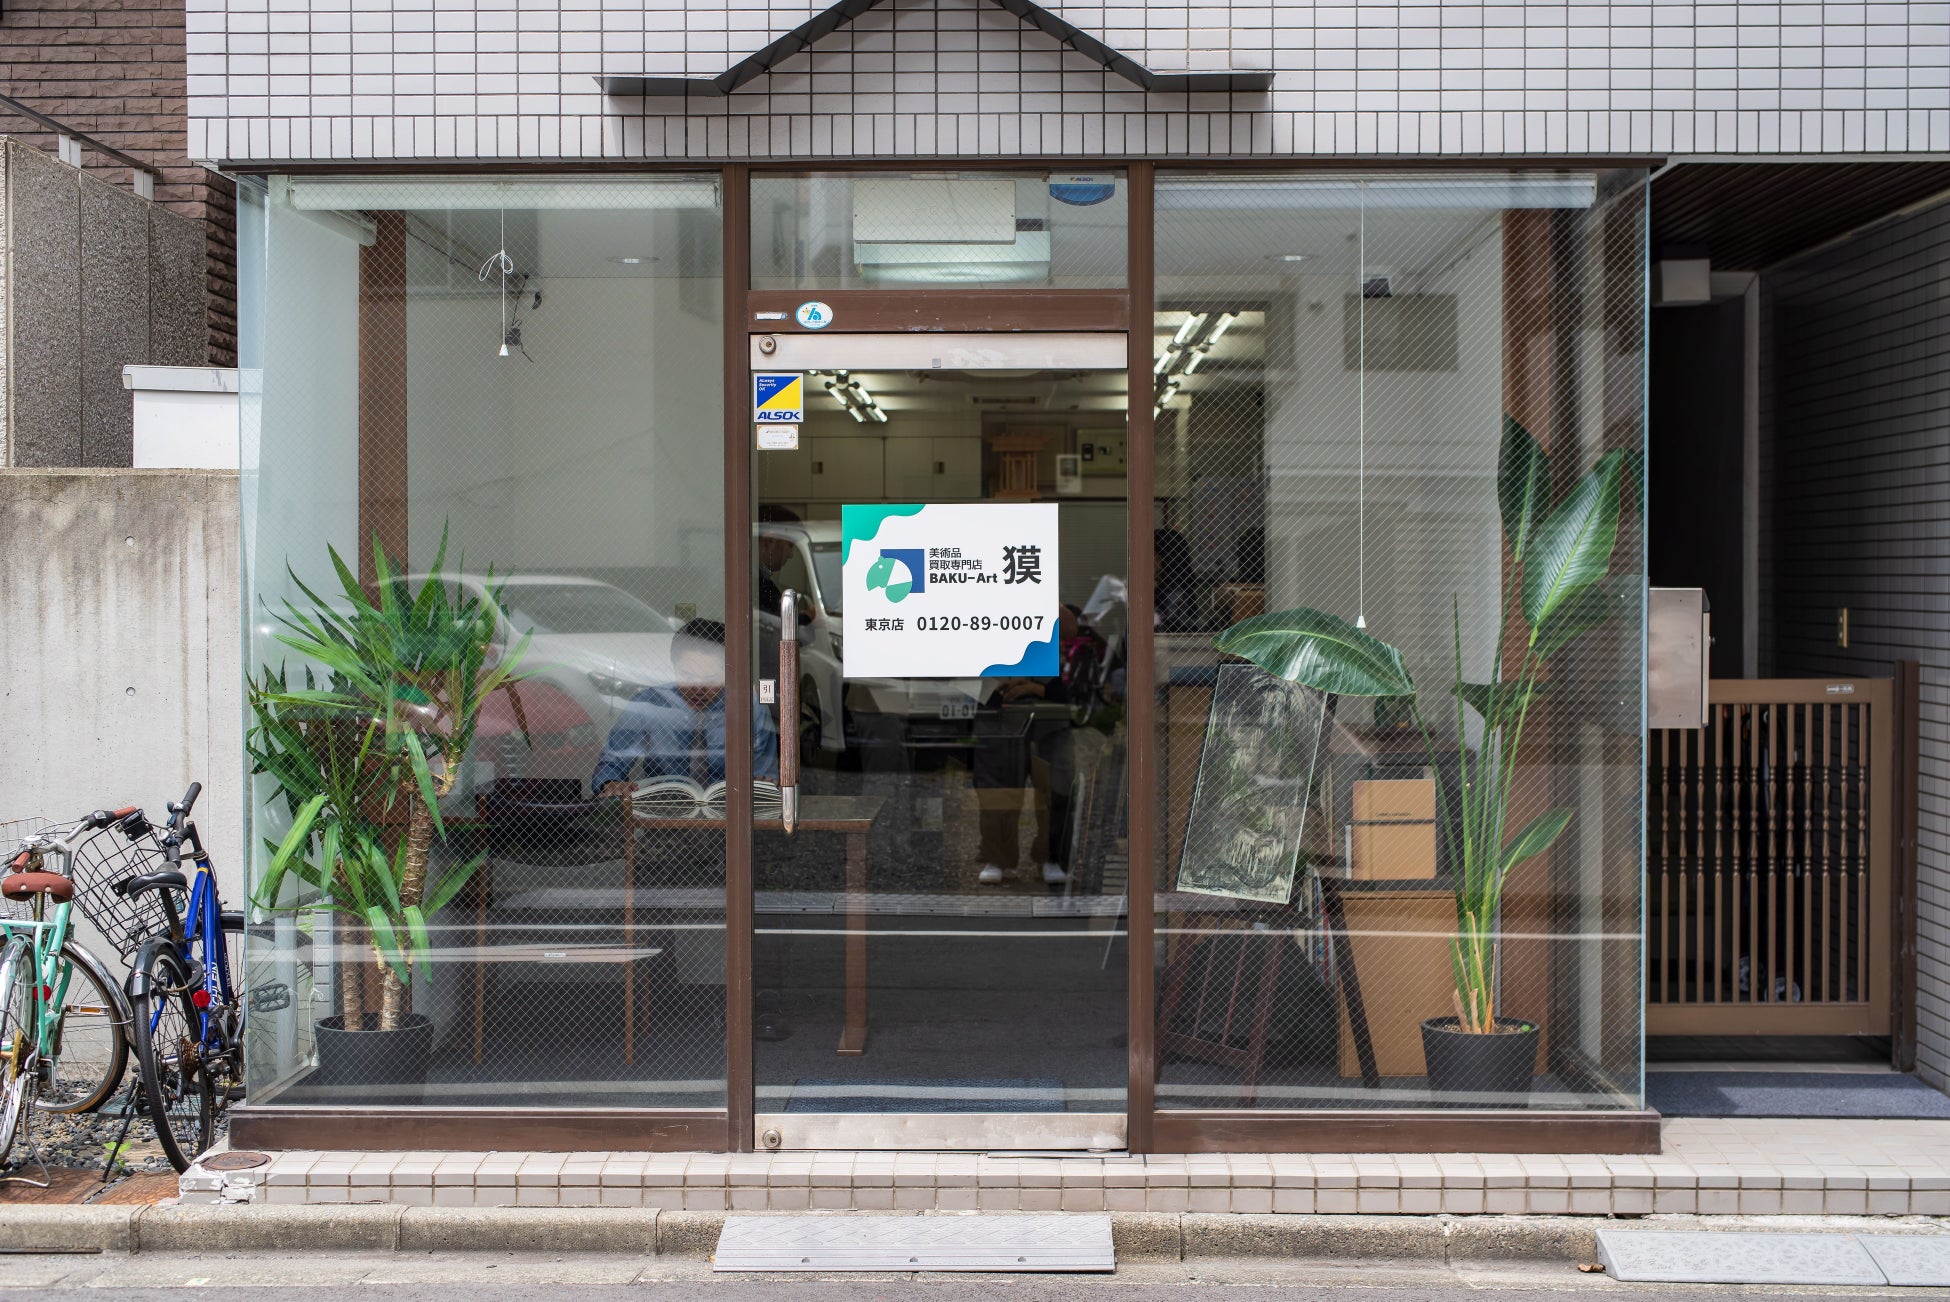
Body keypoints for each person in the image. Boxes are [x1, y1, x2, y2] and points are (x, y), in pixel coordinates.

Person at [592, 618, 779, 795]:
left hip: (730, 813)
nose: (698, 688)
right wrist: (611, 783)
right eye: (687, 676)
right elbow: (612, 764)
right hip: (665, 812)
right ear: (673, 667)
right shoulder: (649, 704)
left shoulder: (748, 707)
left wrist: (764, 784)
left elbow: (765, 773)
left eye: (711, 679)